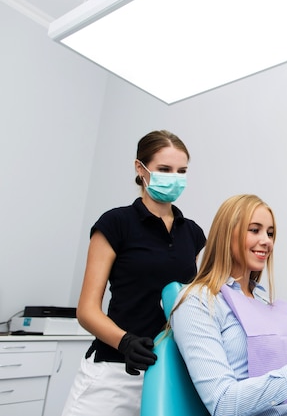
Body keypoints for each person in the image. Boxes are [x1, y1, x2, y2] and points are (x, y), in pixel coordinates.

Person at [170, 194, 287, 416]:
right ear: (226, 234)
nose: (267, 240)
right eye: (254, 230)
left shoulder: (266, 306)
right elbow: (224, 403)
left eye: (270, 233)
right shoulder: (198, 301)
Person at [62, 130, 206, 416]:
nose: (174, 178)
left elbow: (186, 305)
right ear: (141, 169)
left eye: (181, 171)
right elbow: (87, 310)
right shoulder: (116, 223)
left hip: (167, 373)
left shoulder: (193, 234)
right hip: (114, 374)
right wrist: (124, 342)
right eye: (164, 169)